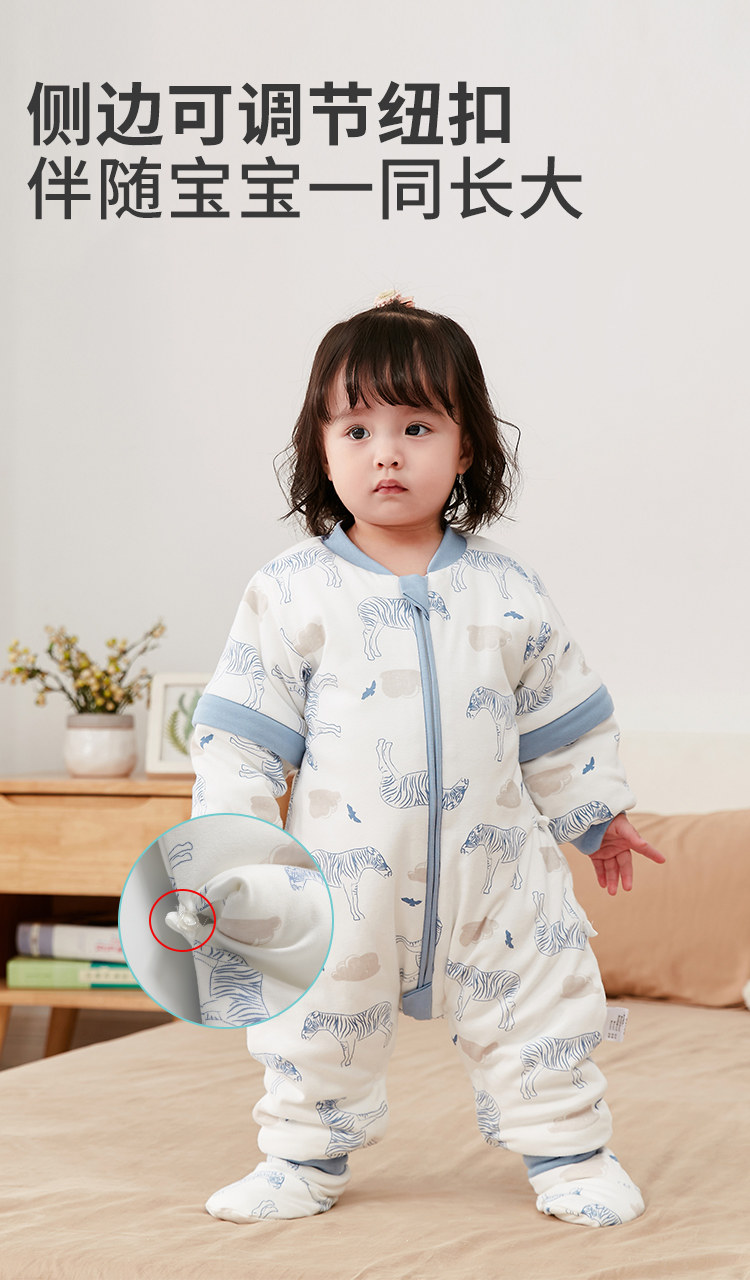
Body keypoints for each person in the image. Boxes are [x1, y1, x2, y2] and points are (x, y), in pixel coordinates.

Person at [190, 291, 665, 1228]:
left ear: (467, 446)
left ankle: (571, 1154)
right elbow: (242, 737)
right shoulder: (290, 593)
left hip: (499, 875)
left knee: (544, 1003)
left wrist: (596, 813)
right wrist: (234, 847)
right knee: (313, 1013)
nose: (387, 453)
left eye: (416, 426)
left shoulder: (507, 590)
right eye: (357, 428)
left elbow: (560, 720)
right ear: (321, 448)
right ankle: (302, 1156)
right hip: (341, 877)